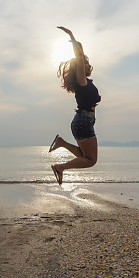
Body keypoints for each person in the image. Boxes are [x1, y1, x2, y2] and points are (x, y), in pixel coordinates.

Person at [49, 26, 101, 185]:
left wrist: (79, 45)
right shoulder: (81, 81)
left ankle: (62, 143)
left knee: (86, 157)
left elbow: (81, 55)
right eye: (84, 62)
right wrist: (72, 36)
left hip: (82, 122)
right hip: (83, 121)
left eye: (87, 62)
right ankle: (60, 167)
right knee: (91, 160)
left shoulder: (84, 82)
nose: (87, 64)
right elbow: (79, 57)